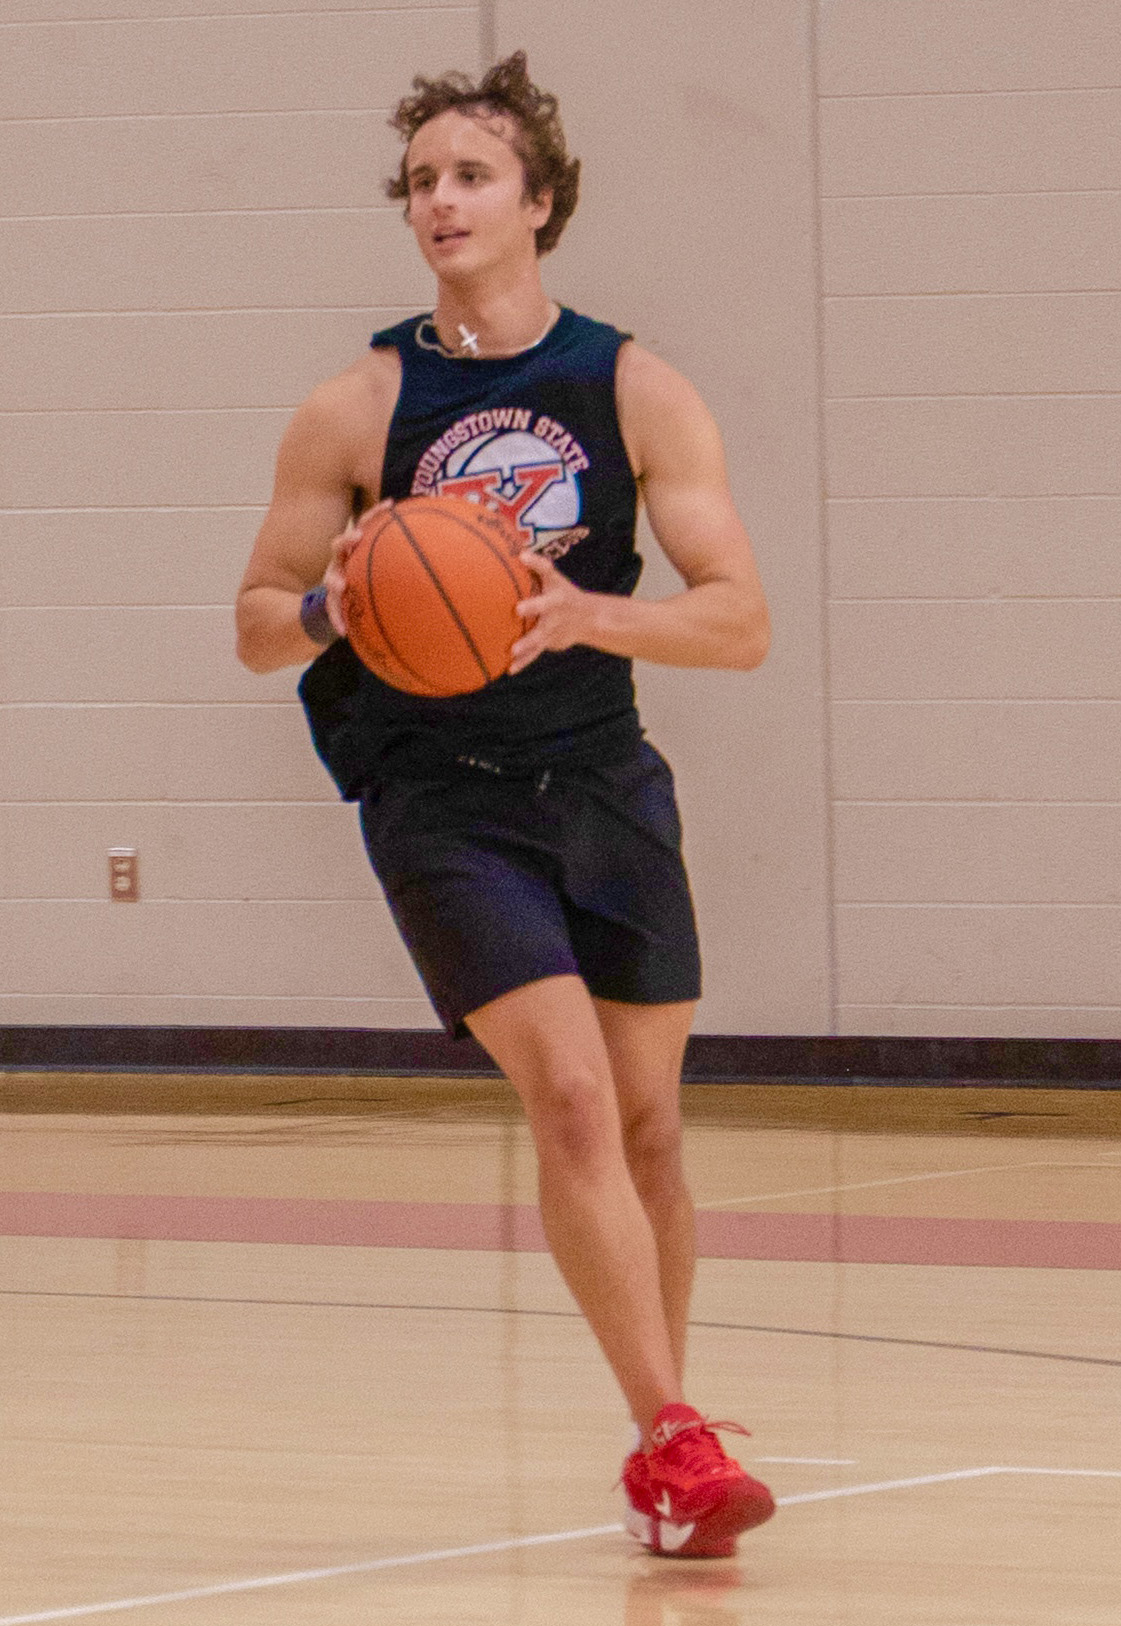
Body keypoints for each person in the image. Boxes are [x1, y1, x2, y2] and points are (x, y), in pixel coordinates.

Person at [235, 51, 774, 1558]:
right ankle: (675, 1436)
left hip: (599, 773)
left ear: (539, 202)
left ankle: (655, 1440)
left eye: (471, 175)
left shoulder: (629, 385)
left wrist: (588, 614)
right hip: (438, 793)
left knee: (653, 1129)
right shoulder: (359, 406)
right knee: (574, 1098)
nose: (441, 202)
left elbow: (736, 620)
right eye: (420, 182)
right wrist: (339, 613)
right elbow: (257, 619)